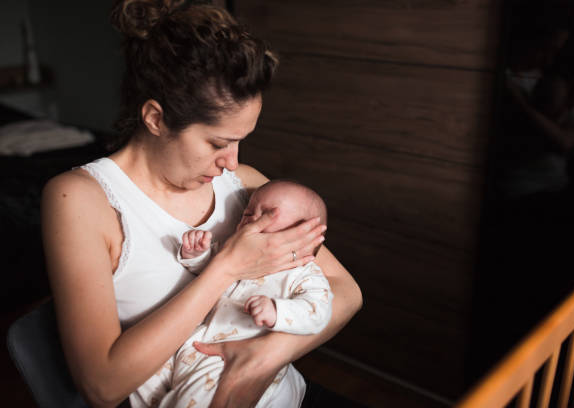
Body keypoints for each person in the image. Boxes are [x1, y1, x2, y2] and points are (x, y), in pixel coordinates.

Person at [40, 2, 362, 408]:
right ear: (156, 118)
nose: (232, 161)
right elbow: (102, 386)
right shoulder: (81, 200)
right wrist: (228, 266)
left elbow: (346, 291)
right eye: (217, 143)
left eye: (240, 140)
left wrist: (262, 358)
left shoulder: (246, 186)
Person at [133, 180, 333, 407]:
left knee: (195, 399)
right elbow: (210, 271)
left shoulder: (304, 274)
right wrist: (195, 254)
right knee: (142, 376)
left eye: (267, 214)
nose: (250, 217)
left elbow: (319, 311)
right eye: (248, 211)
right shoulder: (234, 247)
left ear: (304, 235)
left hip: (232, 358)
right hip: (195, 345)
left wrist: (278, 311)